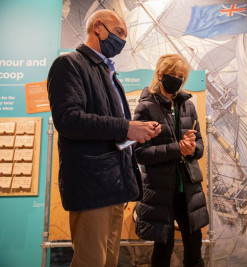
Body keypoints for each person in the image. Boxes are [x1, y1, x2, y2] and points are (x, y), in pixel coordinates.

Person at [47, 9, 161, 267]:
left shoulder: (109, 74)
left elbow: (111, 130)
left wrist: (137, 132)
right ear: (98, 27)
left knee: (108, 261)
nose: (122, 40)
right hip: (92, 185)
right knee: (91, 261)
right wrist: (126, 128)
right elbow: (68, 120)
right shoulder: (69, 64)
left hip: (115, 184)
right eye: (119, 32)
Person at [133, 54, 209, 267]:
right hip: (160, 190)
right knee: (162, 250)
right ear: (160, 74)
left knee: (195, 249)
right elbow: (140, 153)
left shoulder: (188, 106)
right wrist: (177, 149)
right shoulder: (145, 107)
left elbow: (200, 146)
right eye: (172, 75)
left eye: (181, 76)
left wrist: (192, 148)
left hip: (189, 189)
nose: (176, 79)